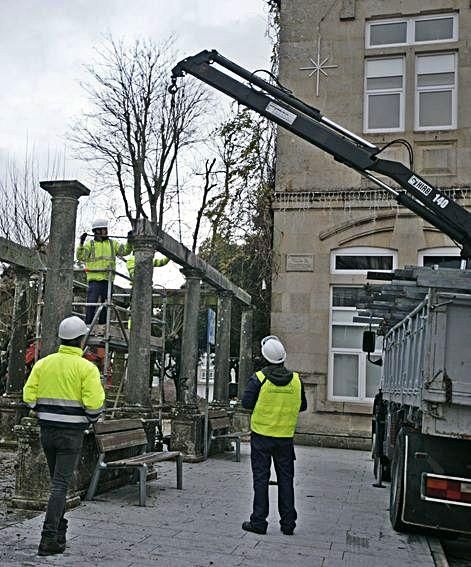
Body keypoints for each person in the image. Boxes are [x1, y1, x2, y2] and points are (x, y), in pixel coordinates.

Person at [23, 316, 105, 556]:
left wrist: (42, 412)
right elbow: (94, 404)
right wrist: (88, 420)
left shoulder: (43, 364)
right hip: (72, 434)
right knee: (60, 486)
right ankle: (49, 537)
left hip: (47, 431)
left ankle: (59, 529)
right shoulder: (86, 368)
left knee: (56, 483)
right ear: (81, 340)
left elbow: (28, 397)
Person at [241, 335, 307, 536]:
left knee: (261, 479)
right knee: (286, 479)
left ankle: (259, 522)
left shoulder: (259, 379)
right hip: (285, 438)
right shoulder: (296, 380)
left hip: (261, 437)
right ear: (283, 357)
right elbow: (303, 405)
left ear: (264, 357)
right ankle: (288, 524)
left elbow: (246, 403)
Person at [76, 218, 133, 325]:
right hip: (94, 280)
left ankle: (102, 326)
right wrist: (81, 243)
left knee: (105, 306)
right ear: (97, 231)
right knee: (91, 305)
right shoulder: (90, 245)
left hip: (108, 280)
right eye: (104, 229)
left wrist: (129, 241)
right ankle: (87, 325)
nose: (106, 231)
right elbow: (80, 256)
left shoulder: (112, 244)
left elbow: (125, 250)